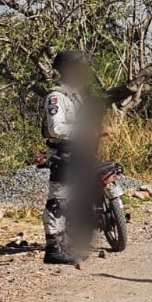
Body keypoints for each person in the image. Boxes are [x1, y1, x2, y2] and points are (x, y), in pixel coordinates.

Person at [40, 50, 93, 265]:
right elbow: (55, 129)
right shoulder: (56, 97)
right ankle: (53, 248)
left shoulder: (74, 94)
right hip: (63, 154)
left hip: (76, 153)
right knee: (58, 202)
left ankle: (62, 245)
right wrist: (82, 132)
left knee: (69, 200)